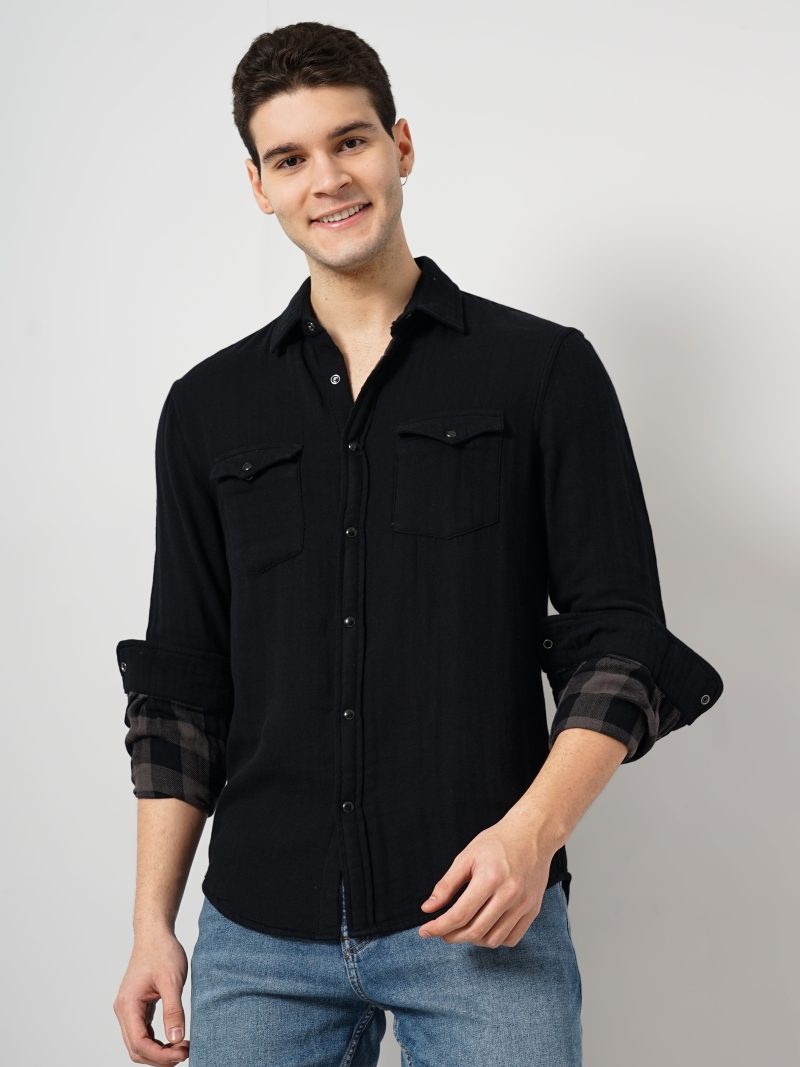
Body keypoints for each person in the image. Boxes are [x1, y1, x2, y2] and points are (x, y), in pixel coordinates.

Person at [111, 20, 723, 1067]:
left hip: (483, 917)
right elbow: (182, 687)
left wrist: (531, 836)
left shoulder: (540, 372)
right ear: (258, 186)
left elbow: (618, 640)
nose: (327, 179)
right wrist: (149, 925)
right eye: (290, 158)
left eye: (349, 141)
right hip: (258, 935)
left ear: (400, 144)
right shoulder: (207, 408)